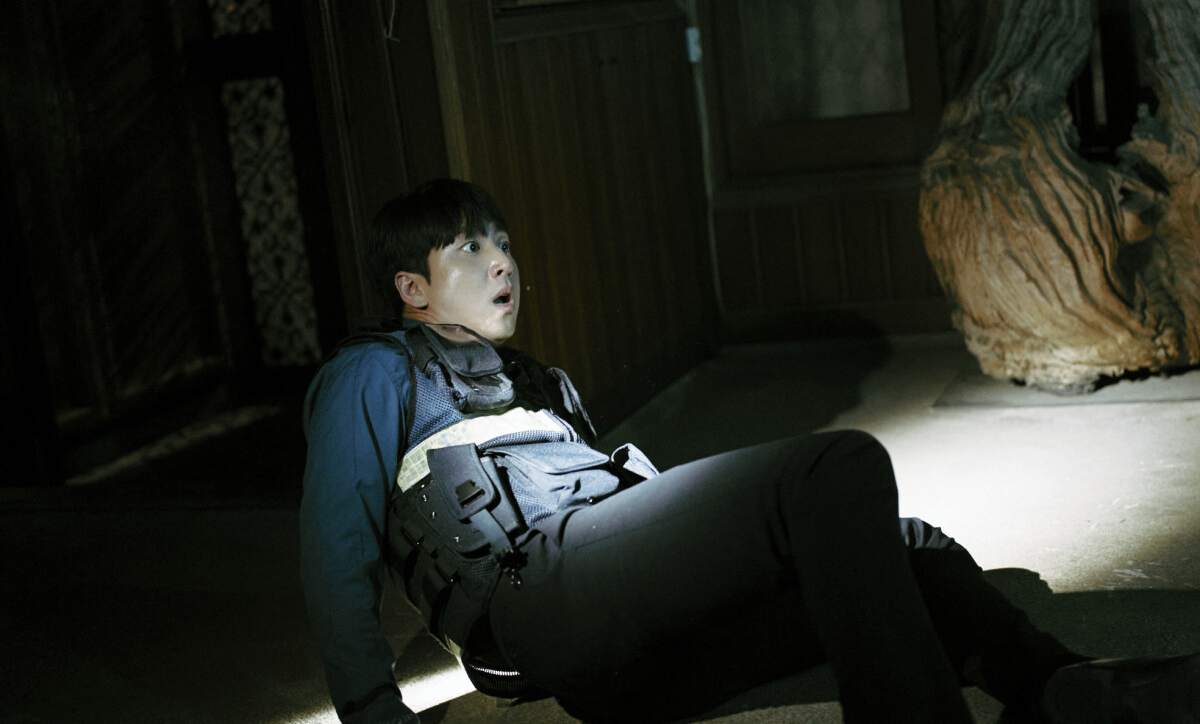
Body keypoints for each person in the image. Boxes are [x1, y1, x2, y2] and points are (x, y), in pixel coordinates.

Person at [300, 178, 1199, 724]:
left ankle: (1059, 686)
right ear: (412, 286)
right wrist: (375, 713)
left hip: (639, 654)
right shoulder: (373, 373)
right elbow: (334, 551)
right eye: (470, 247)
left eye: (503, 243)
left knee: (901, 547)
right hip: (535, 605)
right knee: (833, 470)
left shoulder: (540, 380)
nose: (503, 261)